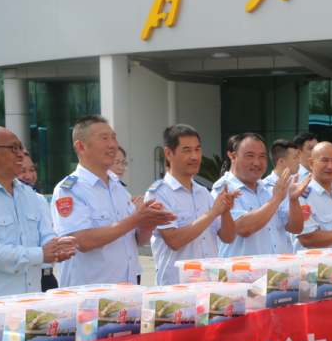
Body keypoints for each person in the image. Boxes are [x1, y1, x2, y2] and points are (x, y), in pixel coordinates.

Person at [0, 127, 77, 300]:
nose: (21, 154)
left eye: (21, 148)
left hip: (30, 301)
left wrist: (57, 248)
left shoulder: (29, 195)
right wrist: (40, 254)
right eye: (13, 148)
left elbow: (46, 235)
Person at [52, 115, 173, 287]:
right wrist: (135, 219)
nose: (113, 145)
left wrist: (146, 226)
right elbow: (81, 241)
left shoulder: (117, 187)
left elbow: (135, 240)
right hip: (91, 297)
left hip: (126, 292)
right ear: (81, 147)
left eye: (114, 138)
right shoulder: (70, 190)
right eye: (104, 138)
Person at [147, 124, 238, 285]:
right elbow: (174, 241)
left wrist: (225, 211)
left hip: (209, 285)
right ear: (168, 153)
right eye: (187, 150)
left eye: (197, 149)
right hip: (177, 289)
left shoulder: (203, 192)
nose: (195, 156)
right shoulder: (159, 194)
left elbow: (228, 238)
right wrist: (213, 212)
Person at [217, 132, 310, 258]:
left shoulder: (269, 189)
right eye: (250, 156)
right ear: (234, 157)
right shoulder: (224, 189)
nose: (257, 162)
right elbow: (243, 228)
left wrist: (294, 200)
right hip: (244, 269)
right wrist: (276, 200)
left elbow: (295, 228)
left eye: (262, 156)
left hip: (278, 268)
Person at [17, 151, 58, 290]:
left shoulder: (39, 199)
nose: (29, 176)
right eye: (22, 171)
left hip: (47, 276)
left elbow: (49, 234)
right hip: (26, 277)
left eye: (32, 170)